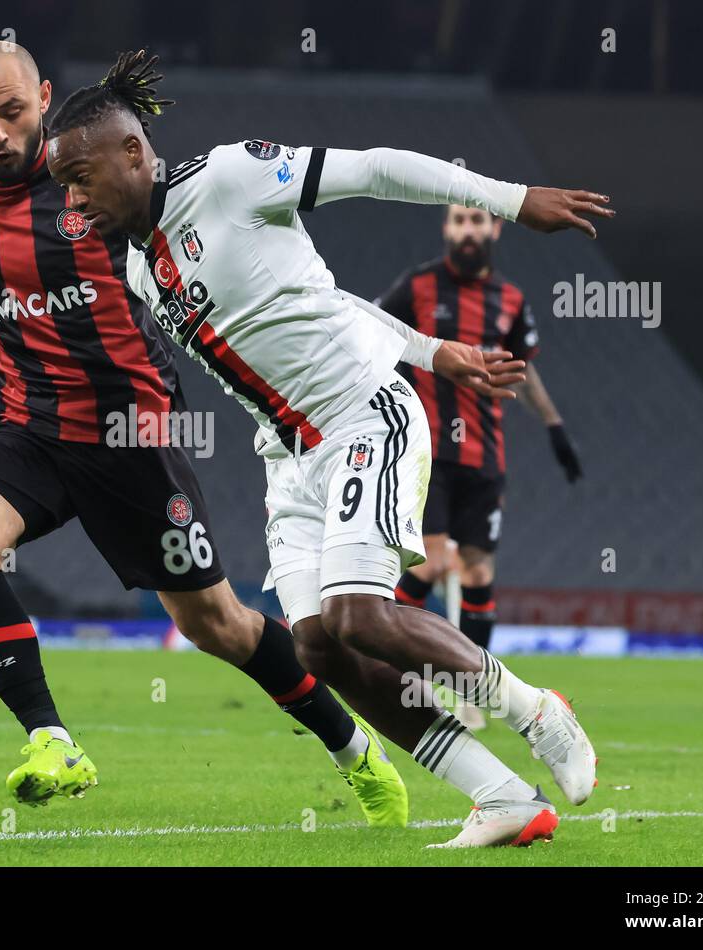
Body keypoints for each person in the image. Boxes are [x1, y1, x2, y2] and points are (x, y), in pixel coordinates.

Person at [0, 41, 414, 825]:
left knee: (214, 623)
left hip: (131, 431)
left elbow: (209, 257)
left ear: (44, 96)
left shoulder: (97, 186)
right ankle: (51, 739)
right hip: (29, 424)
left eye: (12, 113)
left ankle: (352, 748)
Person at [45, 50, 611, 847]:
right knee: (317, 644)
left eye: (80, 178)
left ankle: (537, 712)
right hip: (287, 460)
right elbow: (314, 297)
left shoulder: (231, 178)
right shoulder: (142, 264)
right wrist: (431, 347)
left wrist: (513, 201)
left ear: (133, 153)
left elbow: (376, 168)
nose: (73, 201)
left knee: (360, 616)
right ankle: (502, 797)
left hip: (361, 418)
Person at [379, 205, 582, 729]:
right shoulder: (418, 286)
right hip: (429, 452)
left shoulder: (511, 300)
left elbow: (525, 370)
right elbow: (371, 331)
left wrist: (555, 426)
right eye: (458, 221)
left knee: (479, 572)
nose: (467, 229)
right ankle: (395, 665)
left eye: (477, 221)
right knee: (433, 563)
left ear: (494, 229)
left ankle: (472, 690)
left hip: (486, 458)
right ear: (447, 229)